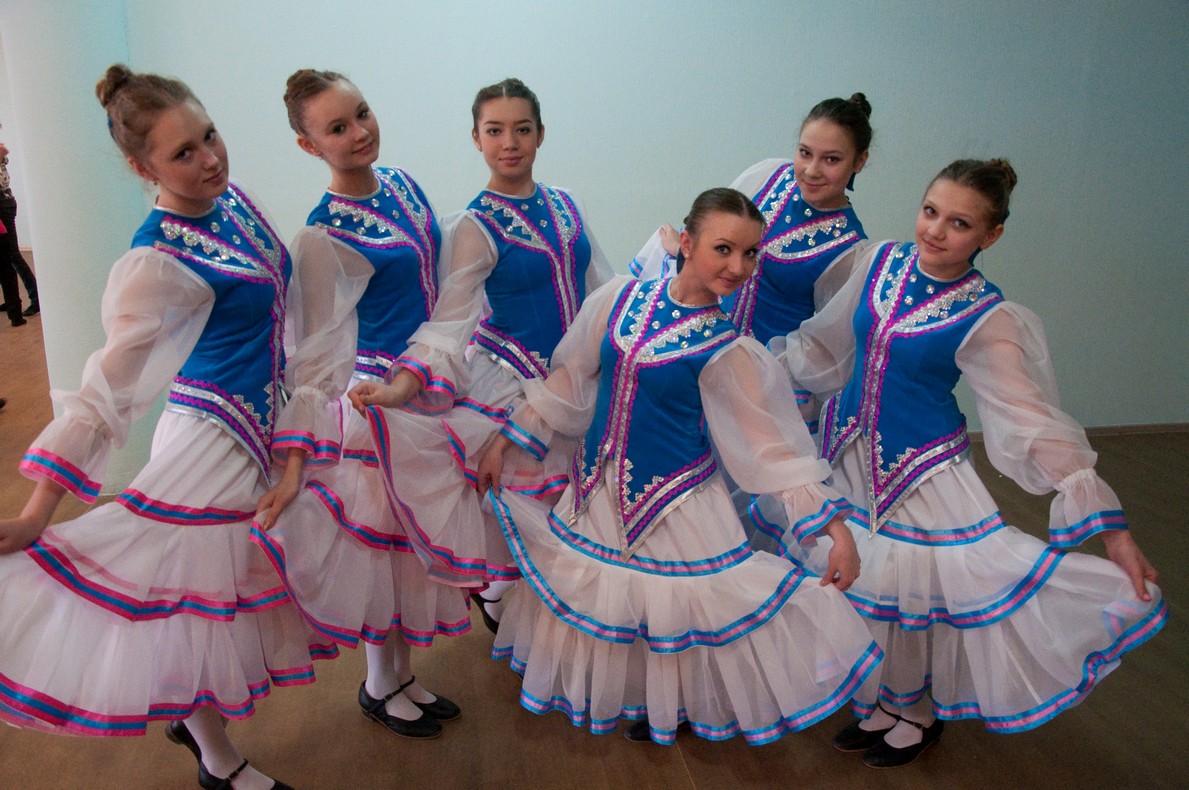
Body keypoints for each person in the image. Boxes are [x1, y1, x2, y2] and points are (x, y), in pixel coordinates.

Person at [764, 159, 1166, 768]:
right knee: (868, 585)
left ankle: (917, 715)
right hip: (849, 454)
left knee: (918, 593)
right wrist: (769, 387)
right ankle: (884, 701)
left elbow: (1029, 418)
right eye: (930, 212)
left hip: (922, 471)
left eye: (959, 223)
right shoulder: (879, 263)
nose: (935, 230)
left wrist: (1115, 533)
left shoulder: (986, 315)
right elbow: (826, 343)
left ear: (990, 236)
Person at [0, 65, 332, 790]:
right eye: (184, 152)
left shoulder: (234, 202)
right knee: (190, 611)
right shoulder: (155, 259)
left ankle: (199, 730)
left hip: (261, 428)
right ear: (141, 167)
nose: (210, 158)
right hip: (208, 445)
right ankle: (219, 761)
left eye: (209, 135)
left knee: (226, 601)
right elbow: (106, 388)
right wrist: (35, 513)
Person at [473, 188, 882, 745]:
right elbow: (570, 378)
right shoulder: (619, 299)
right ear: (686, 243)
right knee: (617, 603)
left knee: (679, 613)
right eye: (723, 249)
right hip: (597, 491)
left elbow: (772, 450)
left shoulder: (730, 349)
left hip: (678, 501)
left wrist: (836, 531)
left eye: (750, 254)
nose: (738, 267)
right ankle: (639, 697)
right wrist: (506, 439)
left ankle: (675, 708)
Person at [349, 77, 612, 630]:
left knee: (578, 514)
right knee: (527, 518)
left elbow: (600, 290)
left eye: (522, 129)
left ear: (541, 134)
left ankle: (530, 620)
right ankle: (504, 608)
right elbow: (450, 322)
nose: (509, 142)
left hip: (574, 379)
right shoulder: (475, 224)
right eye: (495, 131)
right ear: (476, 139)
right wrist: (400, 388)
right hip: (513, 381)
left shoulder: (567, 204)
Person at [252, 69, 467, 741]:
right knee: (383, 547)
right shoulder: (323, 234)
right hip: (375, 399)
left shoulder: (402, 183)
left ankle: (401, 674)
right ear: (308, 145)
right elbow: (315, 348)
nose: (359, 132)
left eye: (363, 114)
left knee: (412, 546)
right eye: (338, 128)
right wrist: (300, 449)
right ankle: (379, 682)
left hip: (424, 385)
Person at [0, 133, 40, 326]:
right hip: (6, 202)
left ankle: (35, 297)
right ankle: (12, 302)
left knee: (13, 255)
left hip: (3, 204)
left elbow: (4, 151)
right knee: (8, 256)